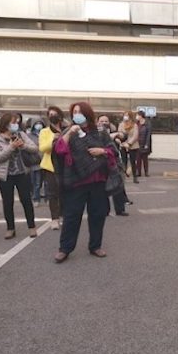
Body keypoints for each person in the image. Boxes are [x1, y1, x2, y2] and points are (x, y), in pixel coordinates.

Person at [53, 102, 115, 263]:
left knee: (97, 215)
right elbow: (59, 150)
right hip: (76, 181)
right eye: (74, 112)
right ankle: (64, 249)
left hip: (98, 181)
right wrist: (69, 134)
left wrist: (102, 151)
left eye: (80, 112)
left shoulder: (100, 132)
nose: (77, 114)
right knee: (71, 216)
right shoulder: (69, 131)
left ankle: (95, 246)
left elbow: (113, 150)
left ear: (88, 113)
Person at [0, 113, 38, 239]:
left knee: (26, 200)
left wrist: (23, 145)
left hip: (22, 172)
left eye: (16, 122)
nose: (15, 125)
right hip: (5, 175)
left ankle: (32, 226)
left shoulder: (21, 134)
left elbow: (34, 148)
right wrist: (11, 147)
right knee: (7, 201)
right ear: (5, 124)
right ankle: (10, 228)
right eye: (13, 122)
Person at [97, 115, 129, 217]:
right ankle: (104, 210)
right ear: (97, 122)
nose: (104, 123)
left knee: (118, 185)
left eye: (106, 121)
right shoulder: (95, 133)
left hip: (115, 162)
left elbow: (124, 136)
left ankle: (120, 209)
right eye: (101, 121)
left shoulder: (114, 130)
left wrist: (118, 135)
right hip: (102, 162)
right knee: (103, 187)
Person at [39, 106, 63, 230]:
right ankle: (55, 218)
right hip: (50, 166)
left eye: (55, 114)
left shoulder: (66, 130)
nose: (53, 116)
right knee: (53, 193)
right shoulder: (45, 132)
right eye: (50, 114)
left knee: (65, 192)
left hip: (65, 165)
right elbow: (42, 148)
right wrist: (53, 139)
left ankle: (63, 215)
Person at [118, 111, 141, 184]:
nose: (125, 117)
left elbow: (135, 136)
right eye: (124, 115)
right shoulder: (121, 124)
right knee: (124, 162)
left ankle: (135, 177)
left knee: (133, 162)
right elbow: (119, 134)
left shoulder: (135, 125)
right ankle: (123, 177)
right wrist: (123, 143)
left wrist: (129, 143)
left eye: (127, 115)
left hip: (133, 146)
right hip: (123, 145)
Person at [29, 119, 45, 207]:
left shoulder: (45, 133)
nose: (39, 125)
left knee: (45, 182)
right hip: (35, 162)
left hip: (45, 161)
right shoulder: (30, 136)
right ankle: (36, 198)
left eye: (40, 124)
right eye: (37, 124)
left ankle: (47, 198)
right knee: (36, 182)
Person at [135, 111, 152, 177]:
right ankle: (138, 172)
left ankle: (146, 172)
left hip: (144, 142)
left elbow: (148, 134)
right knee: (138, 158)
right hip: (137, 143)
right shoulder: (136, 123)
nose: (136, 117)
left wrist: (147, 144)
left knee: (145, 159)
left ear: (140, 116)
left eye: (137, 115)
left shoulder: (147, 123)